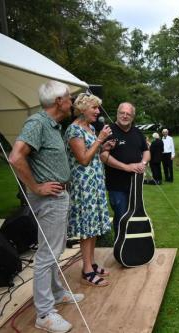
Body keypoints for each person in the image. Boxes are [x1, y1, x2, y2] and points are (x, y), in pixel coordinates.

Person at [8, 80, 83, 333]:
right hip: (48, 198)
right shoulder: (37, 123)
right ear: (58, 101)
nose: (72, 102)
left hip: (58, 196)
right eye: (69, 98)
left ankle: (56, 292)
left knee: (55, 249)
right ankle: (44, 314)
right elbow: (16, 157)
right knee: (46, 254)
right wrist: (36, 187)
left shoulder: (53, 126)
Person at [65, 93, 115, 287]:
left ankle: (91, 264)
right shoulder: (73, 130)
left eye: (97, 108)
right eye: (94, 108)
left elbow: (93, 154)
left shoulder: (91, 128)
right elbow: (83, 159)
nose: (97, 111)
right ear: (82, 108)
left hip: (95, 184)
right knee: (87, 228)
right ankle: (86, 272)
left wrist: (104, 145)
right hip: (83, 186)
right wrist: (100, 139)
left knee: (93, 227)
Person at [100, 103, 150, 238]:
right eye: (122, 113)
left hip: (135, 186)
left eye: (128, 114)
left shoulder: (137, 132)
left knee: (135, 216)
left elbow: (146, 151)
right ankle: (121, 248)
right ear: (117, 114)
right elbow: (103, 156)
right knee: (121, 217)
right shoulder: (108, 131)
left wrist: (143, 163)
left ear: (133, 117)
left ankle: (133, 247)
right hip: (117, 186)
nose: (125, 116)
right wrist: (127, 167)